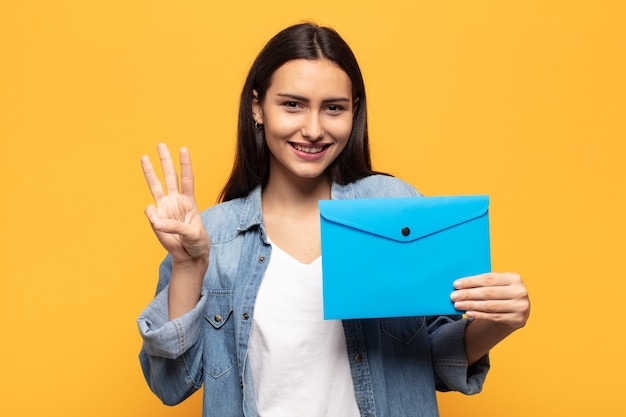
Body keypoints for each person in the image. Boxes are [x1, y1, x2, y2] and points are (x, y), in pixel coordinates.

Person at [137, 23, 530, 417]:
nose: (313, 129)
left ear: (353, 110)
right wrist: (189, 266)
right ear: (257, 107)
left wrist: (499, 323)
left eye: (333, 108)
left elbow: (437, 360)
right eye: (292, 104)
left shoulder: (391, 206)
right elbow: (171, 384)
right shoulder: (213, 236)